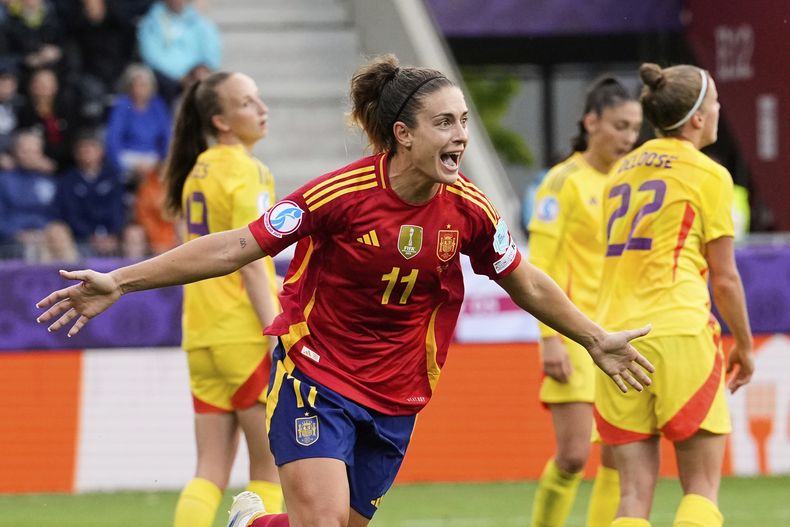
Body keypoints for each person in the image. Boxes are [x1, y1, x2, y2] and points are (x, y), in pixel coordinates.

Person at [36, 55, 655, 527]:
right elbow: (236, 247)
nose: (461, 135)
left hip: (398, 392)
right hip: (318, 374)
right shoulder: (338, 194)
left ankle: (252, 523)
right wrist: (121, 280)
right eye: (444, 122)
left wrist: (594, 337)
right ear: (403, 133)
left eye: (464, 121)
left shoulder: (470, 209)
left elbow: (525, 279)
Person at [594, 63, 754, 527]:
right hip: (680, 332)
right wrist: (744, 345)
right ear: (698, 118)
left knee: (631, 498)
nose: (720, 110)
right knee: (701, 488)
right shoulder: (709, 174)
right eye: (716, 102)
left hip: (617, 340)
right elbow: (724, 279)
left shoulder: (619, 172)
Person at [527, 77, 642, 527]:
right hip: (574, 333)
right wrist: (549, 338)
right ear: (591, 122)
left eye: (635, 128)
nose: (628, 137)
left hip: (622, 331)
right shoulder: (562, 181)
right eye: (620, 125)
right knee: (574, 455)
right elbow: (542, 264)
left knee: (617, 455)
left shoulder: (636, 179)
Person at [136, 0, 221, 104]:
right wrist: (180, 76)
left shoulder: (199, 22)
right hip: (166, 79)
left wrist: (202, 67)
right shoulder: (152, 22)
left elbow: (211, 52)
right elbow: (151, 56)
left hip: (194, 74)